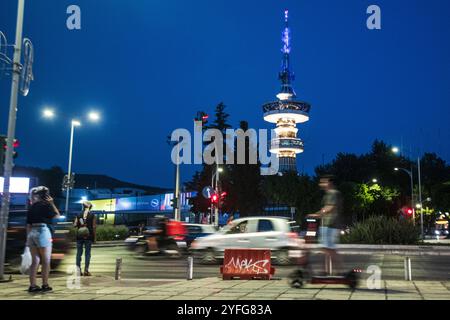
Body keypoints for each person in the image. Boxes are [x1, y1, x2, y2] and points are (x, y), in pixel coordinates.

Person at [26, 186, 60, 293]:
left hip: (32, 233)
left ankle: (32, 285)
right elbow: (57, 216)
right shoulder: (46, 205)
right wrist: (52, 203)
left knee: (35, 261)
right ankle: (45, 284)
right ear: (46, 195)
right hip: (42, 231)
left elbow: (28, 224)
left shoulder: (32, 206)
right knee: (45, 261)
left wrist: (28, 238)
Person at [308, 175, 343, 275]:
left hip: (330, 224)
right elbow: (327, 208)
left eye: (324, 182)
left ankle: (339, 271)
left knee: (328, 249)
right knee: (327, 249)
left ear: (330, 183)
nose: (321, 184)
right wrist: (319, 214)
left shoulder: (333, 193)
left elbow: (330, 208)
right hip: (328, 224)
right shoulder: (329, 194)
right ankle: (327, 271)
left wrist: (317, 214)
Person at [74, 201, 96, 276]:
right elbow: (94, 227)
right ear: (90, 207)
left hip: (79, 236)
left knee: (78, 254)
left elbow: (74, 225)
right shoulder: (92, 215)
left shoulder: (78, 214)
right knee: (87, 254)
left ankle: (78, 271)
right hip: (88, 236)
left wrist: (81, 223)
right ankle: (86, 271)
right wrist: (94, 237)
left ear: (83, 207)